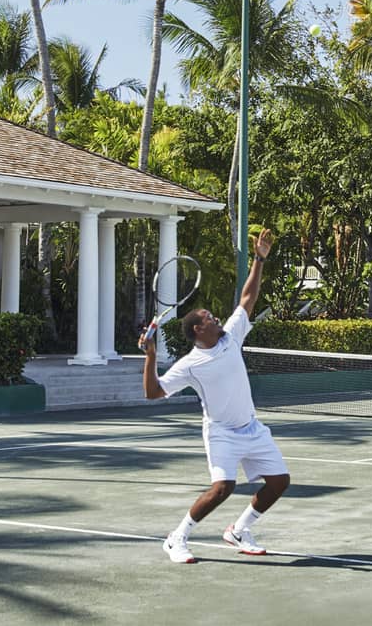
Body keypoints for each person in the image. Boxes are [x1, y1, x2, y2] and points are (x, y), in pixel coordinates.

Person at [139, 228, 287, 564]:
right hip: (221, 432)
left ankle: (238, 530)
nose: (216, 317)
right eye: (208, 318)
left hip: (251, 426)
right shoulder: (190, 365)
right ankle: (177, 538)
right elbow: (153, 392)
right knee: (223, 488)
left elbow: (247, 299)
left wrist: (259, 260)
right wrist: (149, 357)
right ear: (197, 330)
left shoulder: (231, 336)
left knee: (279, 481)